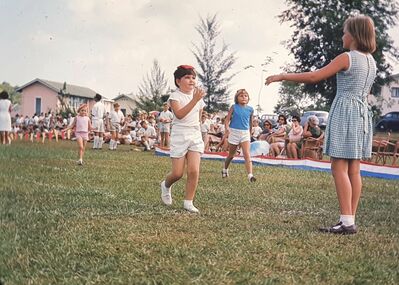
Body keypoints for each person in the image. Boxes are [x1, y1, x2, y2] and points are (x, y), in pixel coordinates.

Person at [266, 15, 377, 235]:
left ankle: (346, 222)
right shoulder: (371, 61)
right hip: (362, 113)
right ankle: (348, 219)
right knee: (354, 169)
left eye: (345, 32)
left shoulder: (347, 57)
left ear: (354, 35)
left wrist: (282, 76)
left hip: (346, 110)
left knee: (338, 166)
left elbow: (315, 76)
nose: (342, 36)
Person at [160, 65, 206, 213]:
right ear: (178, 81)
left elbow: (198, 116)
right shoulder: (175, 97)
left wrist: (199, 131)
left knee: (194, 170)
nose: (191, 80)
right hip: (180, 134)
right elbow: (180, 115)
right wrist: (194, 99)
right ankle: (166, 185)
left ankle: (188, 201)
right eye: (187, 77)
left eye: (193, 77)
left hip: (194, 134)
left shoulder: (198, 97)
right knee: (178, 173)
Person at [222, 89, 256, 182]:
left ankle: (250, 175)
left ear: (248, 98)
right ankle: (225, 169)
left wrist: (249, 133)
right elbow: (227, 119)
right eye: (241, 96)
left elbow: (250, 123)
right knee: (231, 155)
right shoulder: (234, 107)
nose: (244, 97)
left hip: (245, 133)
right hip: (234, 132)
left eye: (245, 96)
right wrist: (227, 128)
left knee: (247, 154)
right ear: (237, 98)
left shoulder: (250, 109)